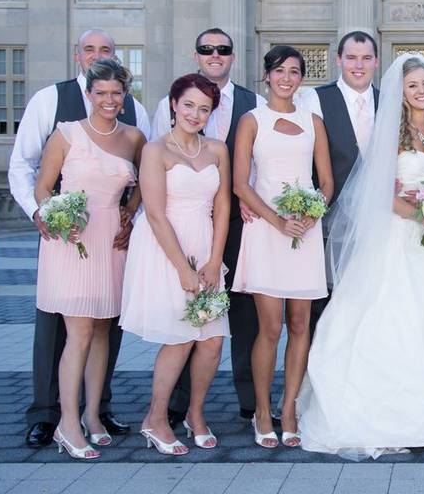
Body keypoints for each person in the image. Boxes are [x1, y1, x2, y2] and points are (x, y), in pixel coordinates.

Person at [298, 54, 424, 458]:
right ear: (400, 94)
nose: (421, 91)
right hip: (400, 238)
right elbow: (382, 194)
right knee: (394, 322)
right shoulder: (392, 134)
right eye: (412, 86)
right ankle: (388, 417)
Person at [9, 29, 151, 448]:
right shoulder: (64, 130)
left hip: (111, 241)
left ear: (124, 93)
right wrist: (48, 215)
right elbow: (39, 182)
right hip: (71, 240)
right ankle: (64, 422)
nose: (110, 99)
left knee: (105, 331)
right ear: (87, 90)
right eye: (101, 92)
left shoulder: (135, 134)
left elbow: (148, 177)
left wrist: (131, 211)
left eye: (116, 92)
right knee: (78, 333)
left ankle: (93, 414)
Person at [152, 28, 264, 425]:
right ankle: (177, 404)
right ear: (196, 54)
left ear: (233, 56)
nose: (215, 54)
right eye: (206, 49)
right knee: (186, 317)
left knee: (245, 316)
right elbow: (156, 175)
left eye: (223, 49)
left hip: (241, 222)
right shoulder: (172, 106)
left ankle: (250, 399)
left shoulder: (254, 103)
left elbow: (261, 162)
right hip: (190, 227)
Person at [120, 73, 231, 456]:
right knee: (180, 336)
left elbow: (223, 205)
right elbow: (153, 213)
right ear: (173, 104)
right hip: (166, 246)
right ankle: (156, 418)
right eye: (188, 105)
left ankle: (196, 415)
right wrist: (183, 267)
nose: (195, 114)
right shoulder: (156, 150)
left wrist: (215, 259)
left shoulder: (217, 149)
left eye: (203, 108)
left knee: (212, 341)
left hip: (205, 242)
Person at [232, 46, 333, 448]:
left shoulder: (313, 122)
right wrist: (277, 220)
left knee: (300, 325)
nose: (286, 78)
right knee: (270, 327)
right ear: (267, 75)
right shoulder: (252, 121)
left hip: (304, 232)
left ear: (301, 78)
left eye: (294, 71)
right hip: (267, 229)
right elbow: (241, 182)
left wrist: (312, 215)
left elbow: (325, 181)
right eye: (279, 71)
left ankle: (289, 408)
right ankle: (261, 410)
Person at [298, 31, 379, 332]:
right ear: (339, 60)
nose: (359, 65)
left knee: (370, 300)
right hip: (327, 224)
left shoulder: (391, 102)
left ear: (376, 61)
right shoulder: (314, 99)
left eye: (366, 58)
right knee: (327, 303)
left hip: (378, 223)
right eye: (351, 58)